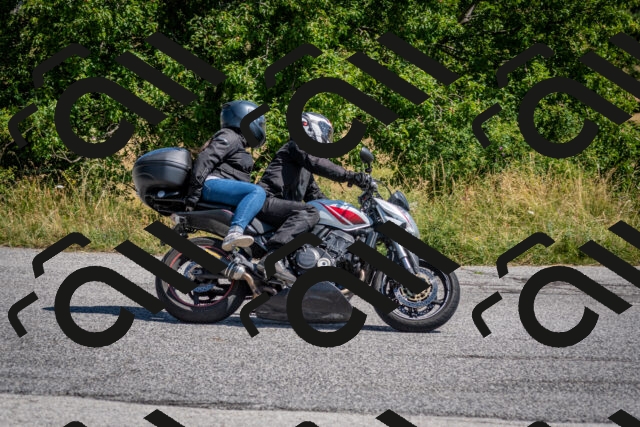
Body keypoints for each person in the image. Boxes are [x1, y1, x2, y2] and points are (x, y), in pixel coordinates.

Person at [256, 112, 370, 283]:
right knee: (310, 212)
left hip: (281, 207)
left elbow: (315, 196)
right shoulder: (296, 146)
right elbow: (317, 163)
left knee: (319, 216)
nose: (326, 136)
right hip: (267, 200)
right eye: (325, 131)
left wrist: (341, 215)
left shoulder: (304, 168)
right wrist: (350, 176)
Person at [184, 100, 267, 252]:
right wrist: (193, 194)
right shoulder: (230, 136)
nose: (261, 127)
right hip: (212, 184)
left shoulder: (237, 141)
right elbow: (205, 160)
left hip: (218, 186)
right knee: (256, 192)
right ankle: (235, 232)